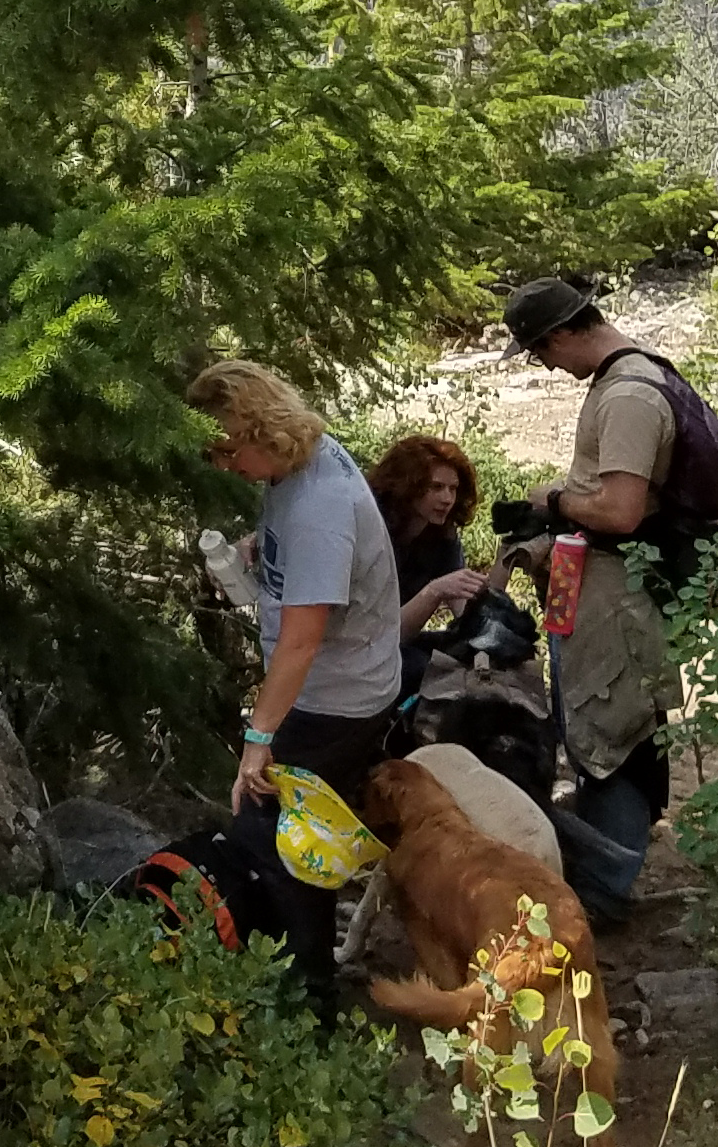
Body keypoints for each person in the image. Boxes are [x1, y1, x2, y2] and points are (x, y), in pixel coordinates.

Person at [181, 357, 402, 1006]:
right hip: (338, 684)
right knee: (286, 837)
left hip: (335, 700)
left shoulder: (317, 507)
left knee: (284, 846)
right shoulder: (306, 462)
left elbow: (303, 642)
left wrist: (259, 739)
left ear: (261, 430)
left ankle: (306, 998)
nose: (225, 467)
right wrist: (262, 548)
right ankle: (299, 978)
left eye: (228, 452)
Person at [496, 276, 691, 929]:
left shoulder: (630, 395)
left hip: (618, 600)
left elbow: (621, 508)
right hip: (595, 588)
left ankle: (606, 893)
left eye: (541, 353)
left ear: (560, 335)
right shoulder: (617, 385)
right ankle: (600, 880)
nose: (546, 367)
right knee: (590, 730)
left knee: (613, 732)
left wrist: (554, 502)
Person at [369, 431, 493, 666]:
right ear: (407, 486)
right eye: (436, 487)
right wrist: (434, 591)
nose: (447, 499)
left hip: (400, 641)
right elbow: (384, 638)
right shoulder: (373, 533)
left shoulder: (442, 535)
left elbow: (463, 608)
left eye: (453, 489)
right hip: (365, 651)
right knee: (421, 667)